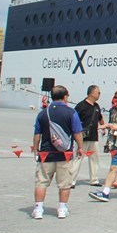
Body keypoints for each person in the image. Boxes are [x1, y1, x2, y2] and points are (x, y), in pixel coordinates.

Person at [32, 85, 84, 219]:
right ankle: (62, 208)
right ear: (65, 96)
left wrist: (36, 149)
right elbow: (77, 132)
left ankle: (38, 209)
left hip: (45, 154)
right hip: (64, 154)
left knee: (41, 182)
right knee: (64, 183)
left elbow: (37, 133)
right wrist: (80, 147)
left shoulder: (43, 113)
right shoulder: (71, 112)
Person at [70, 85, 104, 187]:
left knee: (95, 158)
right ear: (91, 93)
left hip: (94, 137)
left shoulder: (96, 106)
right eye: (98, 92)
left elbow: (100, 118)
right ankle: (71, 180)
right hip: (82, 137)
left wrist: (103, 127)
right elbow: (73, 120)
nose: (99, 94)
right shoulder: (80, 106)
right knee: (78, 158)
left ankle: (94, 179)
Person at [104, 91, 117, 189]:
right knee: (114, 156)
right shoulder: (112, 110)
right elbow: (110, 122)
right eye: (115, 97)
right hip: (112, 136)